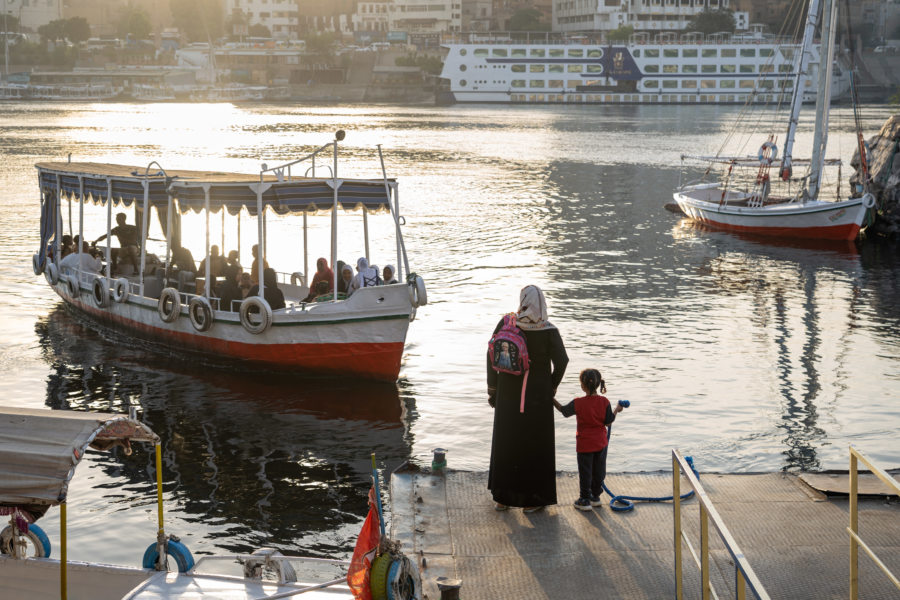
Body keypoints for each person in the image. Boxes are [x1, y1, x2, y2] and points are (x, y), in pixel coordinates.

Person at [487, 285, 568, 512]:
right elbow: (562, 362)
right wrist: (550, 387)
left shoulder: (507, 323)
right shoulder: (549, 330)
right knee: (535, 446)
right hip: (537, 399)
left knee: (508, 443)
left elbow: (490, 353)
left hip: (507, 397)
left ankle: (502, 498)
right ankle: (532, 501)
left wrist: (493, 390)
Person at [553, 369, 624, 511]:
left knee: (585, 472)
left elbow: (564, 411)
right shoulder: (604, 401)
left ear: (582, 386)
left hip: (585, 444)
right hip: (601, 443)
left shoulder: (578, 403)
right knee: (599, 470)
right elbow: (608, 422)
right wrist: (617, 409)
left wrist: (551, 398)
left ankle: (584, 499)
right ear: (598, 384)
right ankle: (595, 497)